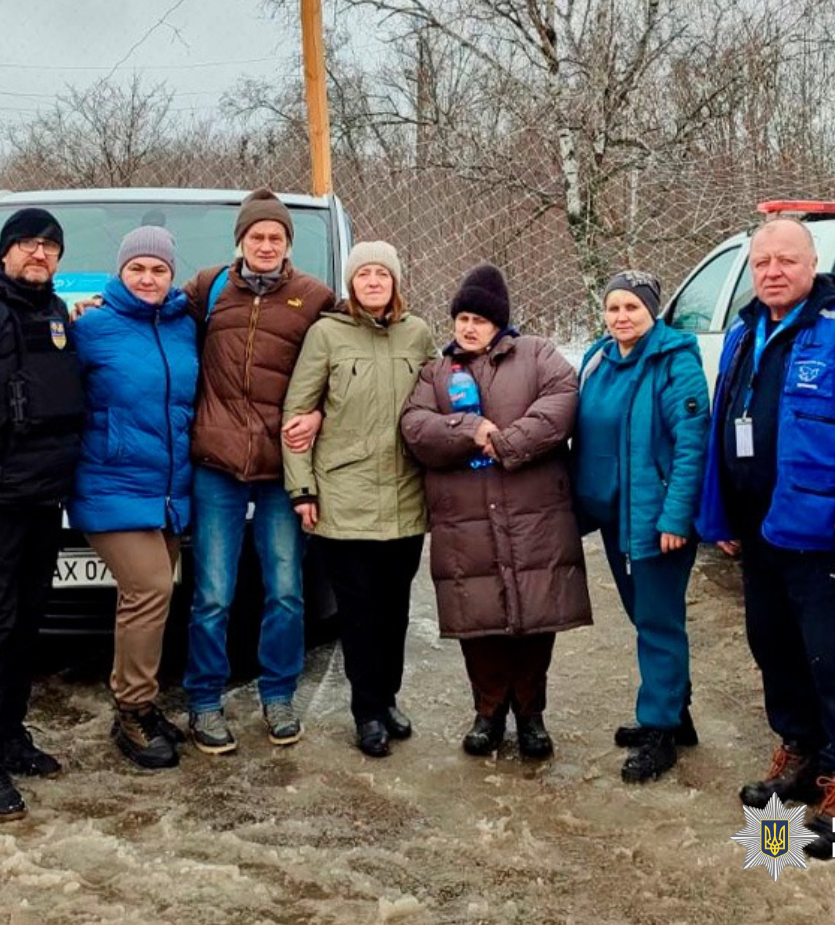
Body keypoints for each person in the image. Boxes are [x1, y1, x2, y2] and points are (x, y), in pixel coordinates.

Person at [697, 218, 835, 858]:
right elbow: (723, 427)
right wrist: (721, 516)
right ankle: (799, 753)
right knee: (776, 648)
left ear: (812, 264)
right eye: (762, 262)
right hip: (762, 531)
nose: (771, 272)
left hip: (827, 533)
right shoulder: (743, 331)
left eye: (785, 260)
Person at [401, 263, 591, 759]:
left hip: (533, 516)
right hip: (466, 520)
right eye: (462, 317)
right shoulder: (436, 371)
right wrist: (469, 431)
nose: (468, 327)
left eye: (479, 319)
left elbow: (561, 403)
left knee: (535, 618)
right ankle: (487, 713)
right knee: (478, 620)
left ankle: (531, 714)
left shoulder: (538, 355)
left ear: (500, 323)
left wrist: (505, 442)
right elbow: (416, 427)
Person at [183, 188, 335, 754]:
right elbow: (153, 314)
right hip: (217, 462)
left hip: (281, 466)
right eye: (256, 236)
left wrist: (320, 413)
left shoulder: (314, 297)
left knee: (286, 591)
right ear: (240, 241)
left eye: (275, 237)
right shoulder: (209, 287)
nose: (266, 245)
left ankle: (278, 694)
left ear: (287, 244)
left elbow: (343, 364)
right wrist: (94, 309)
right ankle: (203, 702)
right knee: (213, 593)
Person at [282, 242, 434, 758]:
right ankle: (365, 712)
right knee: (359, 615)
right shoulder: (326, 334)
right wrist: (302, 488)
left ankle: (387, 698)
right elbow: (296, 417)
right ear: (351, 284)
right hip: (343, 500)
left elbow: (443, 396)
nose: (373, 282)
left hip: (406, 498)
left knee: (396, 612)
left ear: (394, 283)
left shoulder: (417, 334)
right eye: (363, 274)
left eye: (382, 275)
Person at [69, 227, 198, 770]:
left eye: (159, 269)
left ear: (173, 275)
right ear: (119, 272)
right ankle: (132, 709)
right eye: (137, 268)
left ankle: (137, 702)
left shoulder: (186, 326)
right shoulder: (90, 328)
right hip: (109, 481)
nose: (148, 278)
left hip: (168, 487)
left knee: (150, 595)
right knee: (147, 588)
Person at [573, 270, 709, 783]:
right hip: (614, 516)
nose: (621, 317)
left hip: (657, 520)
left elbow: (692, 443)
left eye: (632, 307)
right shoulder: (597, 359)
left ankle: (659, 731)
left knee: (658, 621)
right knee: (644, 615)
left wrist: (676, 516)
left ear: (652, 311)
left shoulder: (675, 362)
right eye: (613, 308)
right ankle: (676, 712)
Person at [0, 208, 84, 821]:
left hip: (42, 494)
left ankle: (9, 736)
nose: (39, 254)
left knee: (26, 624)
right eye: (27, 244)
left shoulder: (53, 312)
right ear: (5, 252)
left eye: (49, 246)